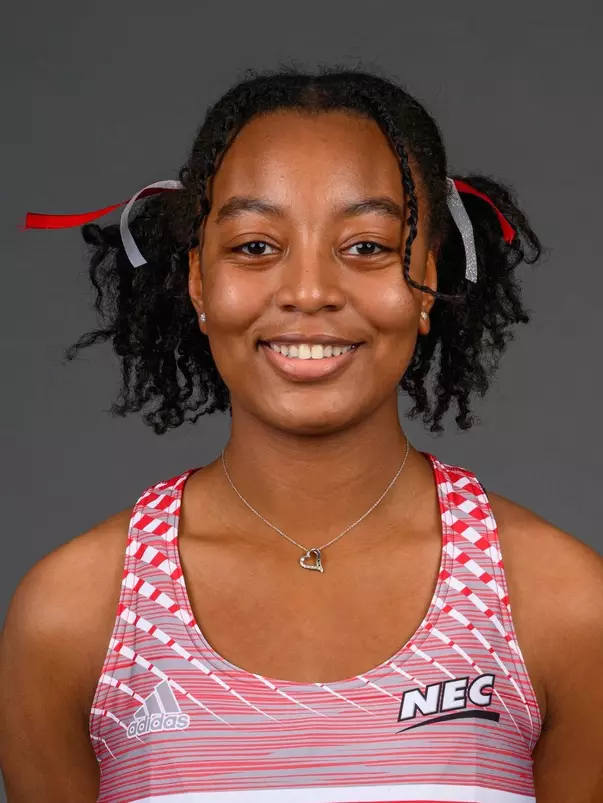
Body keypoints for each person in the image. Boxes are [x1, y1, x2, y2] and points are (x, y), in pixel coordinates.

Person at [1, 67, 602, 803]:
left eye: (368, 246)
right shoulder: (73, 614)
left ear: (429, 280)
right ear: (197, 282)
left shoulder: (561, 602)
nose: (310, 289)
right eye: (255, 246)